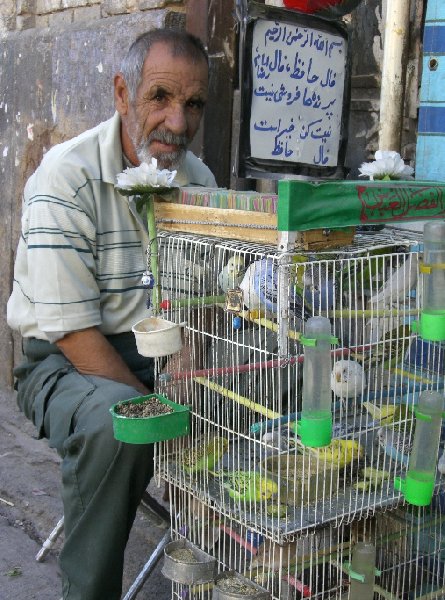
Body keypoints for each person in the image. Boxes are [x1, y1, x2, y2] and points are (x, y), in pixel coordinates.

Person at [7, 28, 217, 600]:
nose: (178, 121)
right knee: (121, 423)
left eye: (193, 103)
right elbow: (74, 334)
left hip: (164, 358)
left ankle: (248, 563)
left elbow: (199, 306)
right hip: (69, 365)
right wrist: (163, 412)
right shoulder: (65, 177)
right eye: (161, 97)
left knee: (265, 391)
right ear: (122, 94)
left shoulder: (197, 182)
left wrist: (199, 380)